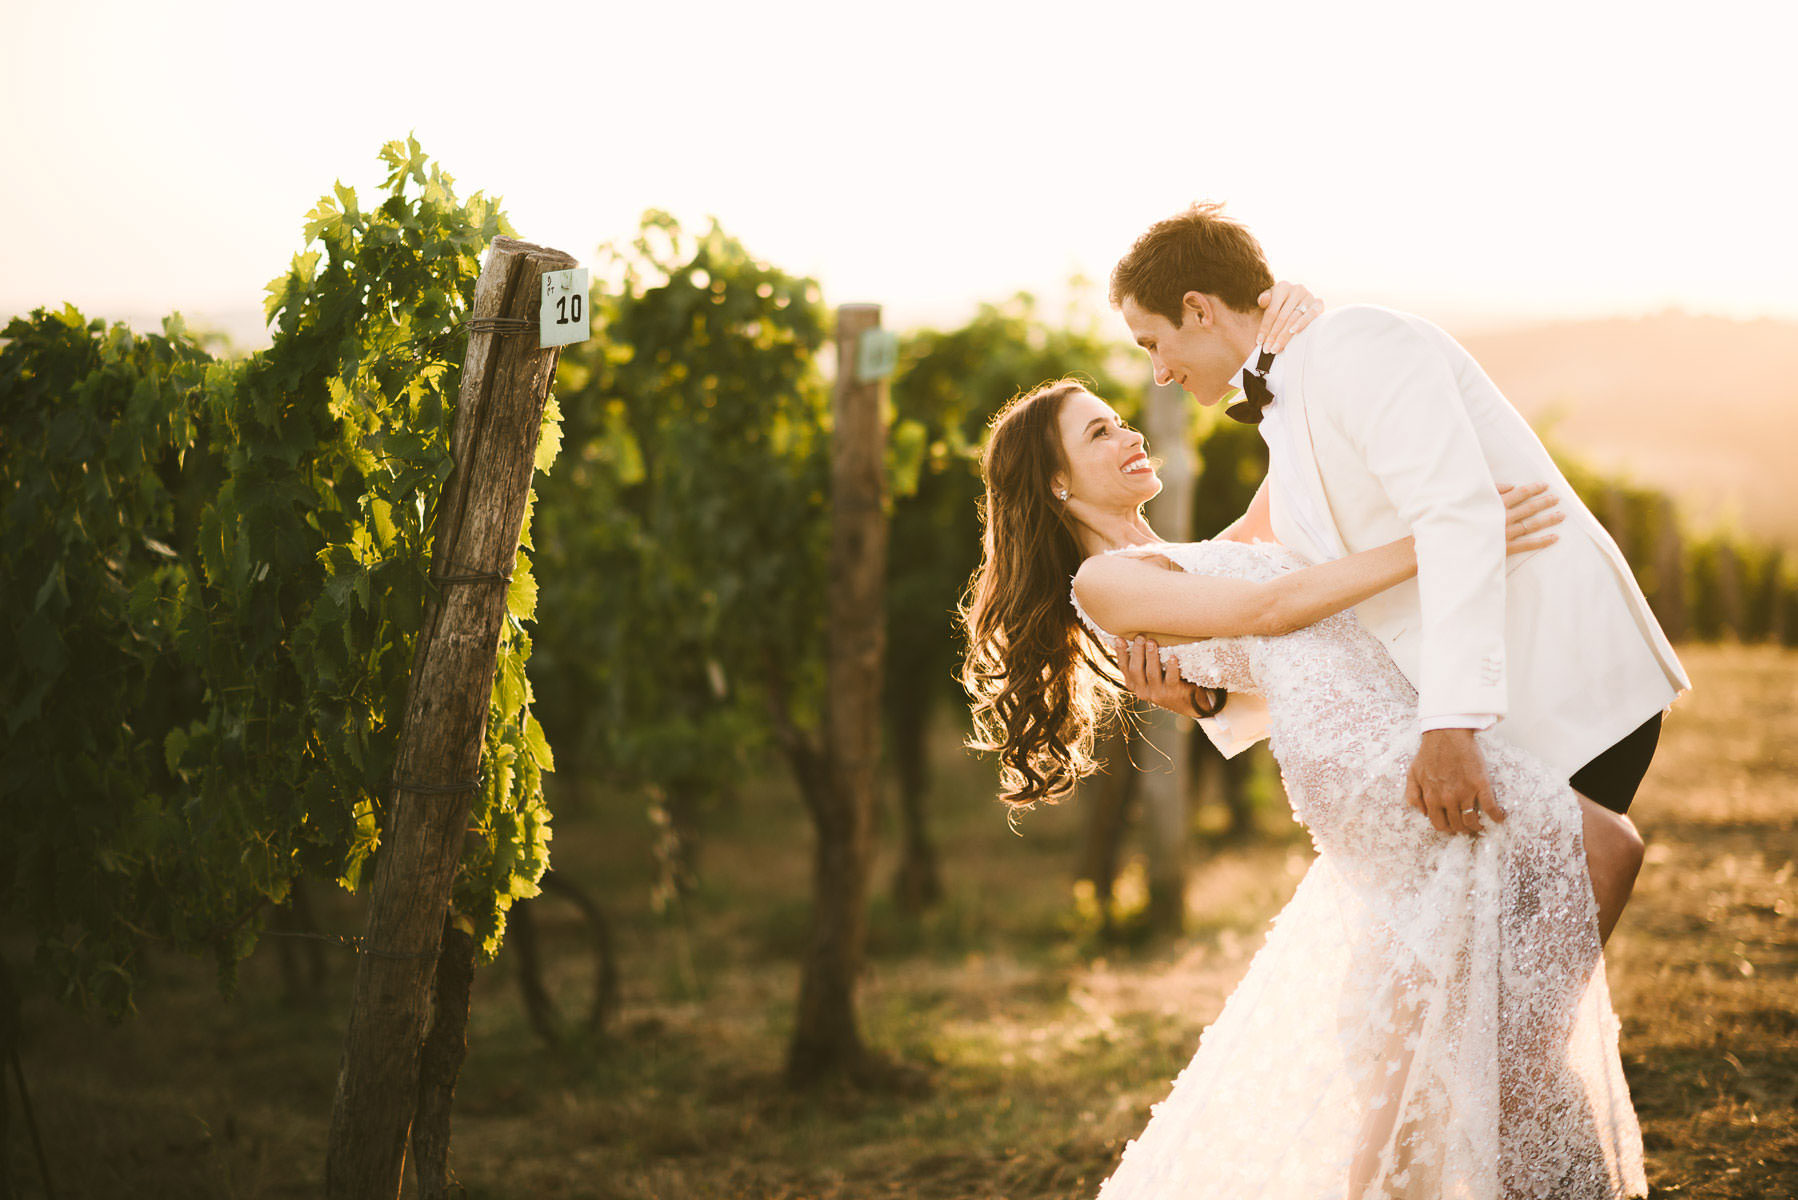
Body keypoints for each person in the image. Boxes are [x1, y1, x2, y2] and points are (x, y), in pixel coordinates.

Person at [959, 379, 1645, 1198]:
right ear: (1057, 484)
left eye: (1120, 420)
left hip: (1380, 723)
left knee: (1420, 1062)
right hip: (1357, 755)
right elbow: (1273, 608)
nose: (1130, 434)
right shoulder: (1102, 583)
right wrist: (1452, 537)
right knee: (1603, 849)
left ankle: (1501, 1087)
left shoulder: (1191, 551)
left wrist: (1292, 357)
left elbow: (1299, 468)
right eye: (1100, 433)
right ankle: (1510, 1076)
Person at [1108, 204, 1688, 946]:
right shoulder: (1287, 412)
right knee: (1470, 989)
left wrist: (1450, 723)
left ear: (1197, 308)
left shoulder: (1356, 345)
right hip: (1497, 706)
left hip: (1556, 680)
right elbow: (1281, 587)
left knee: (1506, 984)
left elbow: (1457, 519)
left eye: (1153, 342)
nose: (1158, 370)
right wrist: (1200, 681)